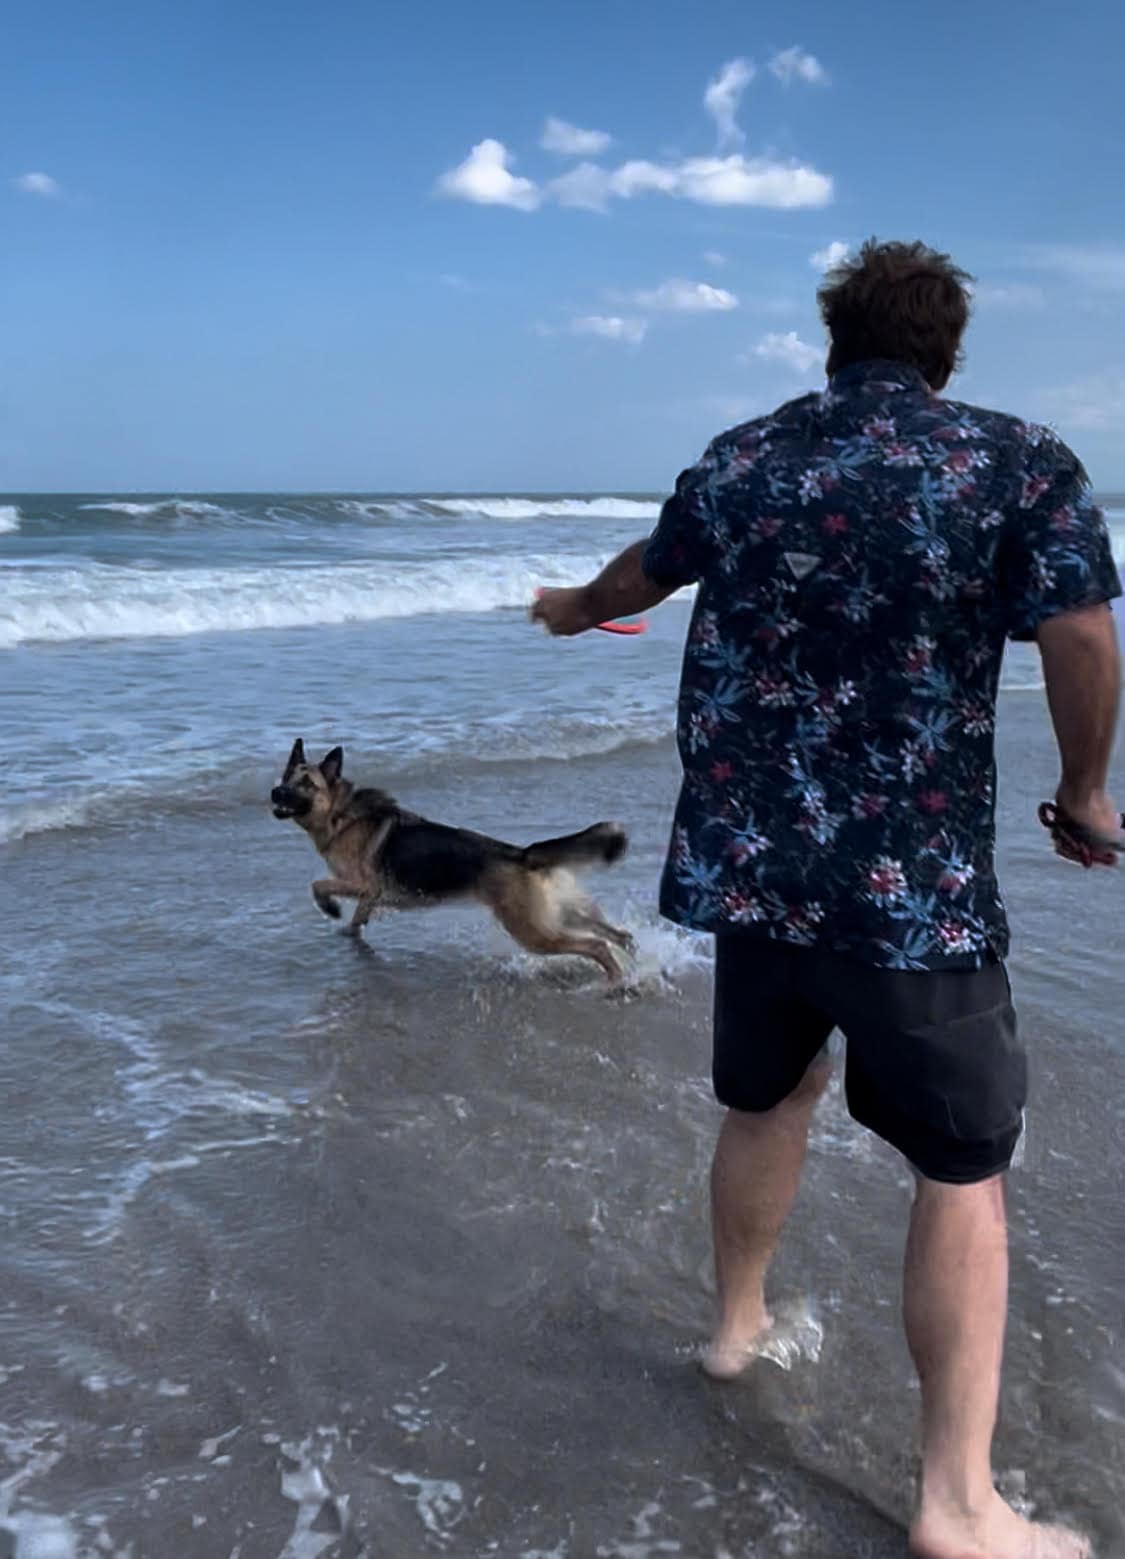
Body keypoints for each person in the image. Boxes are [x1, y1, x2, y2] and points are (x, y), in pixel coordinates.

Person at [531, 239, 1122, 1559]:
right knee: (961, 1170)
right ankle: (956, 1506)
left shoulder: (744, 455)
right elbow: (1080, 632)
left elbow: (641, 574)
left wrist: (570, 612)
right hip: (910, 891)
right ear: (943, 349)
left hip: (754, 873)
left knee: (763, 1100)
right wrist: (1085, 794)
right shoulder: (1012, 457)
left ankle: (735, 1332)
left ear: (830, 340)